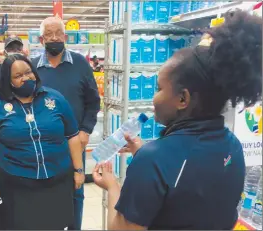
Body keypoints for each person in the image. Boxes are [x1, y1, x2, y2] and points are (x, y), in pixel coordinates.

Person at [93, 10, 262, 230]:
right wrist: (146, 154)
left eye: (159, 88)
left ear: (183, 98)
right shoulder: (233, 146)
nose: (154, 98)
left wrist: (112, 185)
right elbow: (190, 187)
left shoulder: (153, 159)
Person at [0, 54, 85, 230]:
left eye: (28, 72)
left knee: (56, 225)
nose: (25, 78)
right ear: (8, 81)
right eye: (18, 76)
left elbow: (72, 135)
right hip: (16, 186)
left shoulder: (54, 98)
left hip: (57, 181)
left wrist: (79, 170)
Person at [32, 16, 101, 230]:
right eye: (49, 35)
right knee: (44, 190)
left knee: (76, 190)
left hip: (75, 142)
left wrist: (85, 131)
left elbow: (93, 101)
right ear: (41, 39)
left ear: (65, 36)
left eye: (58, 34)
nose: (54, 38)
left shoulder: (80, 64)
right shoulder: (33, 67)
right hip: (42, 143)